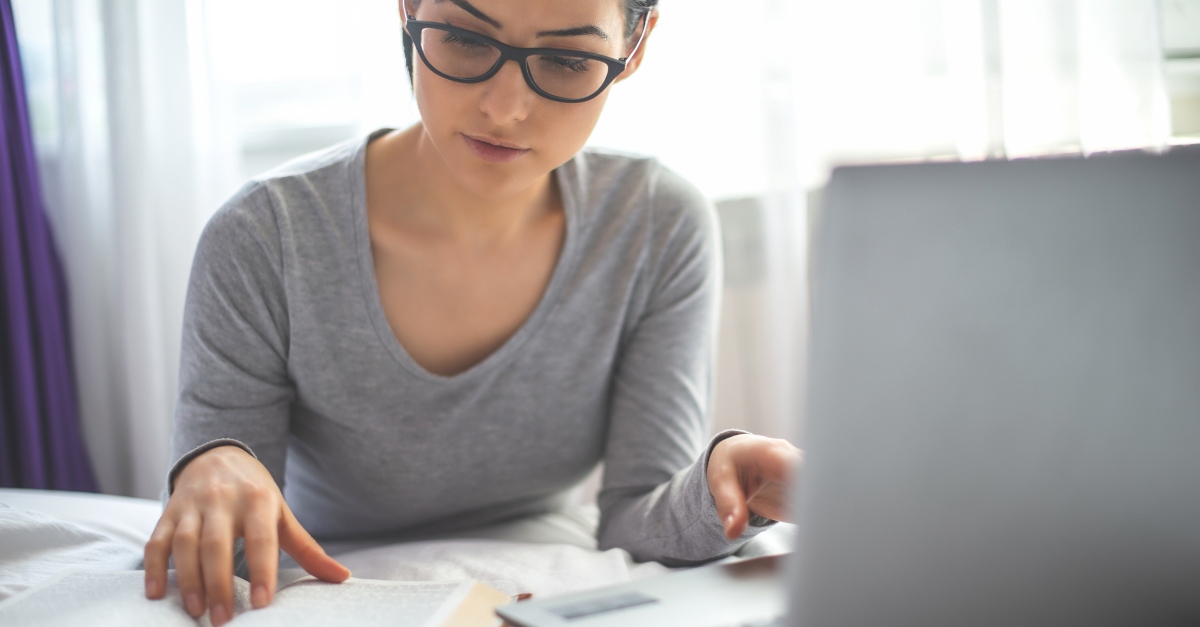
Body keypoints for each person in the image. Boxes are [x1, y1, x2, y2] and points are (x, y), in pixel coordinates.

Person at [143, 0, 802, 625]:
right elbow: (228, 557)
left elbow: (635, 522)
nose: (505, 108)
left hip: (549, 585)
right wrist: (215, 465)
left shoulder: (656, 225)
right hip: (331, 595)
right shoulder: (265, 238)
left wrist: (727, 485)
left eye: (567, 61)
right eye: (464, 38)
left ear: (633, 46)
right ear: (408, 9)